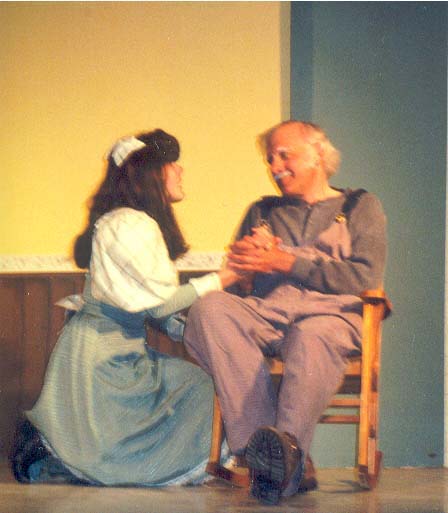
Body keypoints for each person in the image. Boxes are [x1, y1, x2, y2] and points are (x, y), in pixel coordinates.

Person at [10, 129, 241, 486]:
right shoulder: (129, 224)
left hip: (112, 349)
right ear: (152, 174)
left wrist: (188, 329)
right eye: (172, 165)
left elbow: (146, 306)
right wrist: (226, 276)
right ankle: (47, 446)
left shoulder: (130, 223)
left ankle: (54, 451)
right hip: (101, 358)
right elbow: (160, 304)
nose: (180, 171)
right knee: (188, 393)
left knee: (194, 385)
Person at [183, 120, 387, 505]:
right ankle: (274, 452)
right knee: (209, 309)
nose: (274, 167)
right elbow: (238, 285)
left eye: (283, 155)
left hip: (329, 316)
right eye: (270, 159)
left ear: (318, 155)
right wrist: (246, 266)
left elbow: (364, 276)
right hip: (267, 313)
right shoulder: (262, 210)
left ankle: (279, 459)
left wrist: (284, 260)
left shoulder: (360, 206)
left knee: (311, 337)